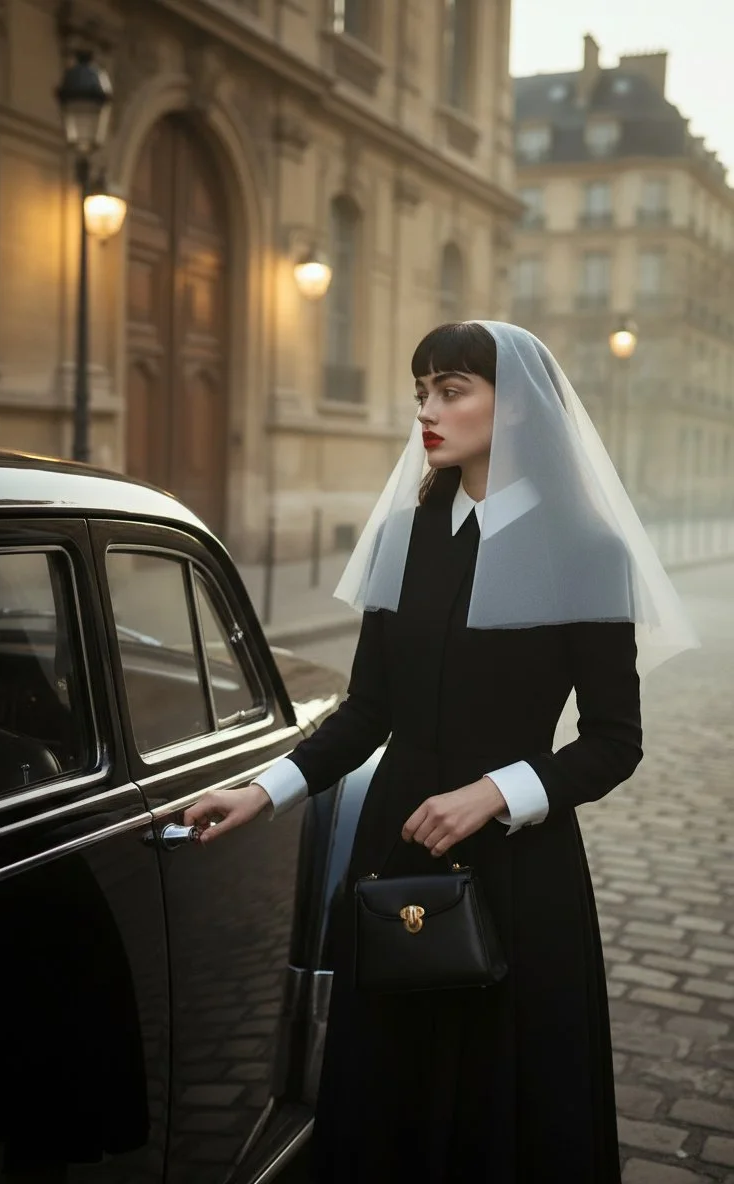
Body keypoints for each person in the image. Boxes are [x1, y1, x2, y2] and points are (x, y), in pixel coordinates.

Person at [183, 321, 697, 1183]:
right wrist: (264, 789)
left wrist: (497, 792)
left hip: (520, 873)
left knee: (508, 1114)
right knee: (391, 1096)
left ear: (519, 407)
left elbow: (615, 742)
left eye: (452, 389)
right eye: (422, 389)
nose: (428, 409)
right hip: (396, 850)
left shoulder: (586, 548)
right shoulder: (405, 535)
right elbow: (367, 711)